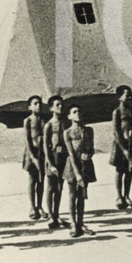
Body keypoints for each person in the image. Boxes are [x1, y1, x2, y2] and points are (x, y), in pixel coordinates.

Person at [63, 104, 97, 237]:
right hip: (72, 166)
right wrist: (77, 174)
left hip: (86, 165)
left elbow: (92, 149)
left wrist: (89, 155)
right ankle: (72, 223)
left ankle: (81, 222)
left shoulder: (89, 130)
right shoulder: (67, 132)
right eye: (74, 112)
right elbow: (71, 153)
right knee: (72, 195)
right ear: (69, 116)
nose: (78, 113)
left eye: (79, 111)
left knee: (82, 195)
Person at [43, 95, 69, 230]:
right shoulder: (48, 125)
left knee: (59, 187)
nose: (60, 107)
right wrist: (50, 164)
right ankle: (51, 215)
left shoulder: (65, 123)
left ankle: (57, 213)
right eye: (57, 105)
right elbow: (45, 147)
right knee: (51, 187)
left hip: (63, 157)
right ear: (51, 108)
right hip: (52, 158)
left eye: (62, 104)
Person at [110, 85, 132, 210]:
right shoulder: (117, 112)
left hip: (131, 144)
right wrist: (123, 148)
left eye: (130, 95)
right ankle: (119, 197)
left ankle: (127, 196)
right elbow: (116, 132)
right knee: (120, 171)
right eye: (126, 95)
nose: (129, 97)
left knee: (130, 171)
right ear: (120, 97)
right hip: (120, 145)